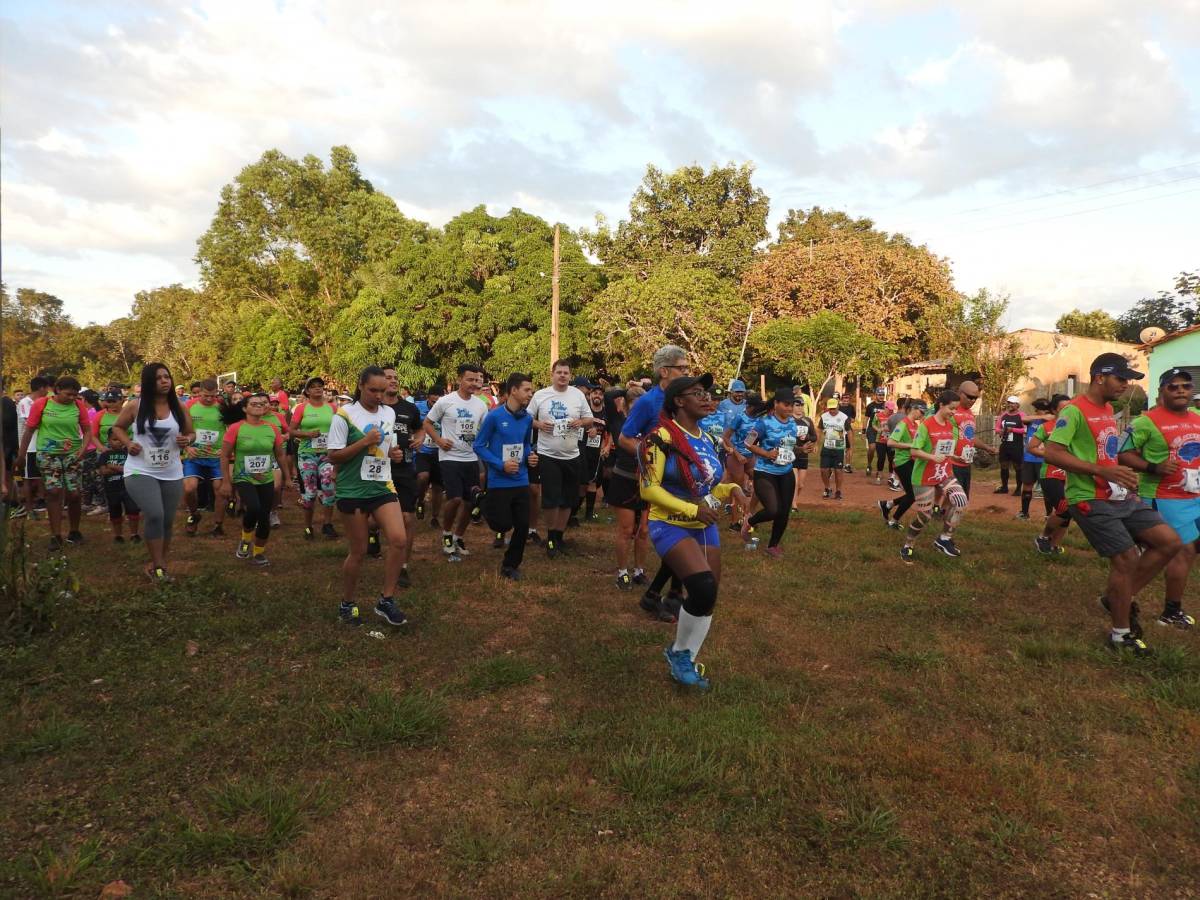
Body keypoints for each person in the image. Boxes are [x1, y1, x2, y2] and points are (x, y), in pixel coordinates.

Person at [1044, 353, 1181, 657]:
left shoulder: (1107, 408)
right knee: (1126, 558)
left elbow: (1106, 452)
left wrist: (1124, 472)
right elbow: (1051, 452)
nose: (1125, 385)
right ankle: (1120, 634)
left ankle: (1116, 597)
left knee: (1169, 542)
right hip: (1089, 497)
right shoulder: (1075, 411)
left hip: (1119, 494)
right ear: (1099, 377)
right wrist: (1101, 471)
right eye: (1121, 378)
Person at [639, 374, 746, 689]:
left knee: (707, 595)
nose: (706, 397)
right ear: (678, 401)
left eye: (707, 392)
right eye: (696, 393)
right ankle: (681, 658)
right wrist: (691, 510)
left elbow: (711, 488)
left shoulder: (709, 440)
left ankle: (682, 654)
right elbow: (648, 490)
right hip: (669, 523)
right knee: (700, 586)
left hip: (704, 525)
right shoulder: (659, 438)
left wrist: (733, 489)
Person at [326, 366, 409, 627]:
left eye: (382, 391)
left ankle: (387, 600)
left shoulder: (389, 411)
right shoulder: (345, 415)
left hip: (381, 485)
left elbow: (387, 443)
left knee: (399, 540)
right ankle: (347, 603)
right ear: (360, 386)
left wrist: (395, 453)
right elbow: (333, 455)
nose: (378, 396)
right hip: (353, 489)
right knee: (359, 551)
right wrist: (363, 442)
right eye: (373, 390)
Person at [1117, 367, 1198, 630]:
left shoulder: (1197, 417)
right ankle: (1168, 610)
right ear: (1162, 391)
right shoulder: (1145, 421)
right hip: (1165, 496)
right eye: (1173, 387)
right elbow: (1122, 453)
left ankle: (1121, 595)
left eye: (1185, 386)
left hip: (1195, 495)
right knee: (1180, 550)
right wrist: (1153, 467)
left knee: (1190, 550)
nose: (1180, 391)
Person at [621, 345, 691, 620]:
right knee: (677, 538)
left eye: (687, 368)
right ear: (664, 372)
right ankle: (658, 596)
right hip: (661, 482)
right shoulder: (649, 403)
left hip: (685, 478)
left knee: (685, 536)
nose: (686, 373)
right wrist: (651, 455)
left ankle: (673, 594)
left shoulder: (682, 399)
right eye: (681, 369)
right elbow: (625, 438)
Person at [111, 363, 195, 583]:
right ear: (149, 381)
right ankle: (158, 565)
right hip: (140, 470)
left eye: (167, 377)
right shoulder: (135, 406)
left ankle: (160, 562)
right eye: (158, 378)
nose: (165, 381)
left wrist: (187, 440)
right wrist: (128, 443)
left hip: (172, 471)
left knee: (166, 520)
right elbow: (117, 427)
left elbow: (191, 433)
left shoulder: (179, 406)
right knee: (155, 514)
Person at [527, 362, 601, 557]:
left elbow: (589, 418)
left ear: (570, 375)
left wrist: (580, 422)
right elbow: (525, 418)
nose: (562, 376)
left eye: (566, 373)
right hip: (548, 454)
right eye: (559, 372)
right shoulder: (540, 395)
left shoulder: (577, 395)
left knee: (568, 498)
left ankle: (559, 537)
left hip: (572, 454)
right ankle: (550, 539)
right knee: (551, 499)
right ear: (552, 374)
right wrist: (539, 425)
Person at [474, 372, 538, 580]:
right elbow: (479, 446)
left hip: (520, 478)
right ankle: (482, 500)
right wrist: (500, 464)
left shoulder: (527, 418)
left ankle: (510, 565)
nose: (531, 393)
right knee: (502, 524)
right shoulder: (494, 416)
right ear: (513, 391)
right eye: (527, 390)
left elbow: (525, 444)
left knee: (522, 525)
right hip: (499, 480)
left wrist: (530, 456)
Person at [16, 375, 91, 550]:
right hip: (48, 455)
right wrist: (22, 455)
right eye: (68, 394)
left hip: (73, 454)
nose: (72, 398)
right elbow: (29, 431)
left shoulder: (78, 406)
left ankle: (74, 531)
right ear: (57, 390)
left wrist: (83, 449)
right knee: (54, 491)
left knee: (74, 494)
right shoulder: (42, 404)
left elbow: (87, 430)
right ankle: (56, 535)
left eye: (75, 395)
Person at [423, 365, 489, 560]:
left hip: (471, 458)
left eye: (477, 380)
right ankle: (446, 534)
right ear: (460, 379)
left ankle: (459, 536)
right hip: (449, 457)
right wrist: (439, 440)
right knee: (455, 499)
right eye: (470, 379)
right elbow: (427, 423)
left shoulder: (481, 405)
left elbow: (485, 430)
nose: (474, 384)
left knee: (470, 502)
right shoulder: (446, 401)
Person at [219, 392, 287, 566]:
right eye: (253, 403)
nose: (259, 406)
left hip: (266, 478)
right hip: (243, 477)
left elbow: (280, 454)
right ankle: (245, 538)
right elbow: (225, 456)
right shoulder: (236, 428)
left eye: (261, 404)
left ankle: (259, 552)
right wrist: (226, 481)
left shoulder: (271, 428)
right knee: (254, 508)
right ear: (244, 408)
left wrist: (288, 477)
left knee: (264, 516)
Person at [900, 390, 969, 563]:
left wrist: (955, 456)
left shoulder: (951, 424)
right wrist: (931, 457)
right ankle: (908, 544)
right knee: (925, 515)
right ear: (941, 405)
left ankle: (944, 539)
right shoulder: (926, 425)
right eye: (951, 408)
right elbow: (914, 451)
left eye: (956, 409)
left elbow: (945, 449)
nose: (954, 412)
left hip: (945, 472)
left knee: (961, 500)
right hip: (924, 475)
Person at [605, 384, 653, 597]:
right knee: (626, 530)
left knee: (643, 530)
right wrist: (629, 390)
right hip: (624, 479)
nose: (638, 409)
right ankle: (622, 572)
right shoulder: (619, 422)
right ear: (626, 405)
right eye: (634, 404)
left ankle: (639, 571)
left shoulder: (651, 424)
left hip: (646, 483)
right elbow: (609, 396)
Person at [742, 390, 799, 557]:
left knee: (784, 511)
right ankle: (750, 522)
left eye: (792, 405)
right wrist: (766, 454)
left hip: (786, 472)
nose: (789, 408)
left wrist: (802, 449)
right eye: (786, 404)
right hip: (765, 472)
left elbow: (789, 446)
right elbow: (748, 443)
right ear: (776, 404)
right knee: (773, 510)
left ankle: (773, 546)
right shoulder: (764, 423)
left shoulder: (792, 424)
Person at [381, 366, 424, 582]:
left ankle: (403, 566)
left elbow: (420, 428)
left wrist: (420, 438)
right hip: (377, 469)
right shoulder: (373, 407)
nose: (393, 381)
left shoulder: (409, 408)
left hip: (404, 467)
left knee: (408, 517)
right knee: (372, 519)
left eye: (396, 378)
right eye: (388, 378)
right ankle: (372, 535)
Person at [288, 377, 338, 541]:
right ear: (307, 391)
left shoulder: (332, 407)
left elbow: (340, 427)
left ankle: (327, 524)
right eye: (313, 387)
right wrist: (307, 434)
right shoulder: (302, 408)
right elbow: (291, 430)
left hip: (327, 455)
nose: (318, 389)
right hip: (307, 454)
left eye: (320, 386)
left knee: (328, 488)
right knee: (309, 494)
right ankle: (308, 527)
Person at [183, 379, 228, 537]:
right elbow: (180, 429)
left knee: (220, 491)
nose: (209, 399)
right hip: (194, 455)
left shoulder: (222, 407)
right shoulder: (189, 406)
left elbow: (231, 430)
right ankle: (194, 514)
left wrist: (225, 450)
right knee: (189, 488)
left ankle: (218, 525)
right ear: (199, 392)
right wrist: (187, 447)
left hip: (216, 456)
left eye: (212, 395)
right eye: (205, 396)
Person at [1028, 394, 1073, 554]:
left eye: (1070, 407)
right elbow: (1031, 447)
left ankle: (1054, 545)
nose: (1067, 411)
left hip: (1070, 476)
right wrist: (1049, 454)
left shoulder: (1075, 425)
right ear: (1054, 410)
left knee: (1069, 512)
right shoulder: (1046, 427)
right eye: (1063, 408)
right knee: (1064, 509)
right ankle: (1043, 537)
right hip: (1050, 475)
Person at [878, 398, 926, 529]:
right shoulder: (903, 423)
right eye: (922, 412)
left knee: (914, 493)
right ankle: (893, 520)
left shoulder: (915, 425)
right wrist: (911, 445)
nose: (923, 415)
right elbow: (891, 442)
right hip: (901, 462)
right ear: (914, 409)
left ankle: (887, 505)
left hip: (911, 461)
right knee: (913, 495)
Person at [99, 424, 140, 543]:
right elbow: (103, 471)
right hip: (112, 489)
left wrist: (114, 467)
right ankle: (118, 535)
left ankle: (134, 534)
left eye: (120, 439)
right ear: (108, 440)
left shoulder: (130, 454)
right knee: (115, 511)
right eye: (114, 439)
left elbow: (136, 471)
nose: (118, 442)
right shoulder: (105, 455)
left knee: (133, 510)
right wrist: (123, 468)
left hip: (129, 487)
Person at [16, 376, 49, 520]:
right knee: (28, 478)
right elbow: (31, 422)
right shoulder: (25, 402)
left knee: (44, 477)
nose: (48, 391)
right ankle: (29, 509)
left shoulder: (43, 402)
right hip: (29, 447)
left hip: (43, 446)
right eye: (47, 388)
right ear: (41, 388)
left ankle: (45, 505)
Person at [1016, 398, 1053, 519]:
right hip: (1029, 458)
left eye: (1040, 410)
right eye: (1037, 409)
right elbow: (1022, 419)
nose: (1037, 411)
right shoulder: (1033, 420)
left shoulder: (1052, 421)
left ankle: (1049, 514)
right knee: (1027, 486)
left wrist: (1048, 417)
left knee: (1047, 489)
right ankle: (1024, 513)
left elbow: (1054, 419)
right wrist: (1038, 416)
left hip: (1045, 459)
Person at [413, 384, 444, 526]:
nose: (436, 405)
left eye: (439, 402)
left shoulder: (447, 408)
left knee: (438, 487)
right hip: (422, 451)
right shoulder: (417, 407)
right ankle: (420, 500)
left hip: (440, 452)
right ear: (427, 398)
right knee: (423, 476)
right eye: (433, 402)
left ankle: (435, 517)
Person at [951, 380, 980, 497]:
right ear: (960, 393)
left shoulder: (970, 414)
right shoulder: (951, 411)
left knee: (963, 496)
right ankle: (938, 512)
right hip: (952, 462)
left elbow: (971, 437)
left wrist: (988, 448)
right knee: (955, 497)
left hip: (966, 463)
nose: (972, 400)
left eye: (975, 398)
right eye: (969, 397)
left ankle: (943, 513)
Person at [818, 398, 851, 500]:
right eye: (830, 408)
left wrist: (850, 448)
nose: (832, 410)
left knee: (838, 471)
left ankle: (838, 491)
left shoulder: (843, 417)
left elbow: (849, 432)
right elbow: (819, 429)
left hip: (839, 448)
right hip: (827, 447)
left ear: (838, 406)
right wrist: (816, 443)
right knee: (824, 470)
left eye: (834, 408)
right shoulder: (824, 417)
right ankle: (827, 488)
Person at [995, 396, 1028, 495]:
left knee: (1018, 467)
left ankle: (1018, 489)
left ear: (1018, 405)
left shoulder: (1022, 415)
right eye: (1009, 403)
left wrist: (1013, 430)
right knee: (1003, 466)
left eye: (1013, 403)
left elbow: (1025, 430)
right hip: (1005, 445)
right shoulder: (1003, 415)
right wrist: (1000, 431)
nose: (1010, 405)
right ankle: (1004, 487)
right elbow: (997, 428)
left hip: (1017, 445)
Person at [790, 399, 817, 510]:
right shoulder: (788, 420)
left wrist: (807, 438)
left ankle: (793, 500)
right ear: (792, 406)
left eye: (801, 405)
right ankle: (793, 505)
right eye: (797, 405)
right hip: (792, 454)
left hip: (804, 455)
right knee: (795, 483)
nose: (800, 407)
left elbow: (814, 436)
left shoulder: (807, 421)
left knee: (801, 484)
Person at [863, 387, 888, 483]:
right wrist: (864, 430)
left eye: (883, 395)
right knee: (872, 447)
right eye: (879, 395)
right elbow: (866, 418)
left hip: (884, 429)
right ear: (875, 395)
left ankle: (879, 470)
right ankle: (869, 464)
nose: (881, 397)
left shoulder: (886, 405)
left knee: (881, 452)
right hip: (872, 429)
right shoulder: (870, 406)